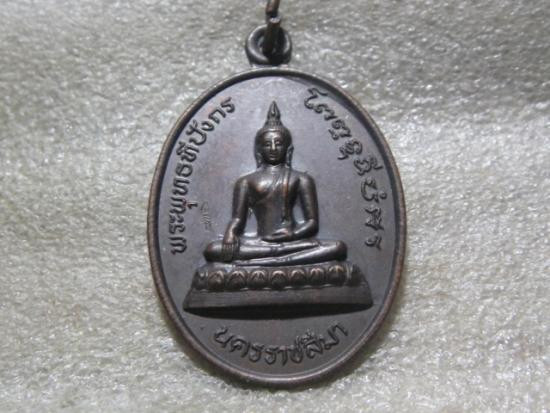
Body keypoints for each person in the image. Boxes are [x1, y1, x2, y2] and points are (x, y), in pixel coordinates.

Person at [204, 101, 347, 267]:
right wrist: (230, 233)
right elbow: (237, 219)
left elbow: (312, 223)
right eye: (267, 144)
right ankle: (279, 260)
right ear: (259, 150)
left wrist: (292, 234)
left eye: (278, 143)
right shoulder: (246, 182)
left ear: (288, 149)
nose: (273, 148)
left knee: (338, 247)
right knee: (212, 250)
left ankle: (270, 261)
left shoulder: (301, 179)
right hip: (260, 243)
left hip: (293, 242)